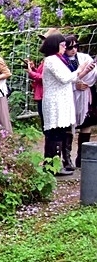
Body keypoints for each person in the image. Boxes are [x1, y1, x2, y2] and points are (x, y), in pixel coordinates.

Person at [40, 32, 95, 176]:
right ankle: (53, 166)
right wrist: (80, 68)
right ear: (55, 46)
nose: (65, 48)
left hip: (61, 101)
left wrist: (82, 72)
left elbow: (70, 78)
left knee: (59, 132)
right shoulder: (52, 60)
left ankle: (53, 165)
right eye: (63, 45)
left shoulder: (57, 59)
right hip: (55, 102)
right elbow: (65, 78)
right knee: (55, 133)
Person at [62, 35, 97, 169]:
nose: (73, 50)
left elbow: (93, 74)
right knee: (68, 126)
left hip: (87, 94)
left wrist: (86, 81)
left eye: (76, 46)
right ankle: (67, 159)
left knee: (86, 124)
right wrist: (75, 85)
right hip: (69, 95)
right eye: (70, 47)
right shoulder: (61, 61)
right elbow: (63, 80)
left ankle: (82, 157)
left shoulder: (84, 58)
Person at [27, 58, 44, 128]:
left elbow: (43, 77)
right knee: (43, 117)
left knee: (45, 118)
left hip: (44, 94)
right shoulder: (46, 60)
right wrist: (33, 68)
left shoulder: (51, 61)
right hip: (41, 93)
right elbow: (40, 74)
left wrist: (31, 72)